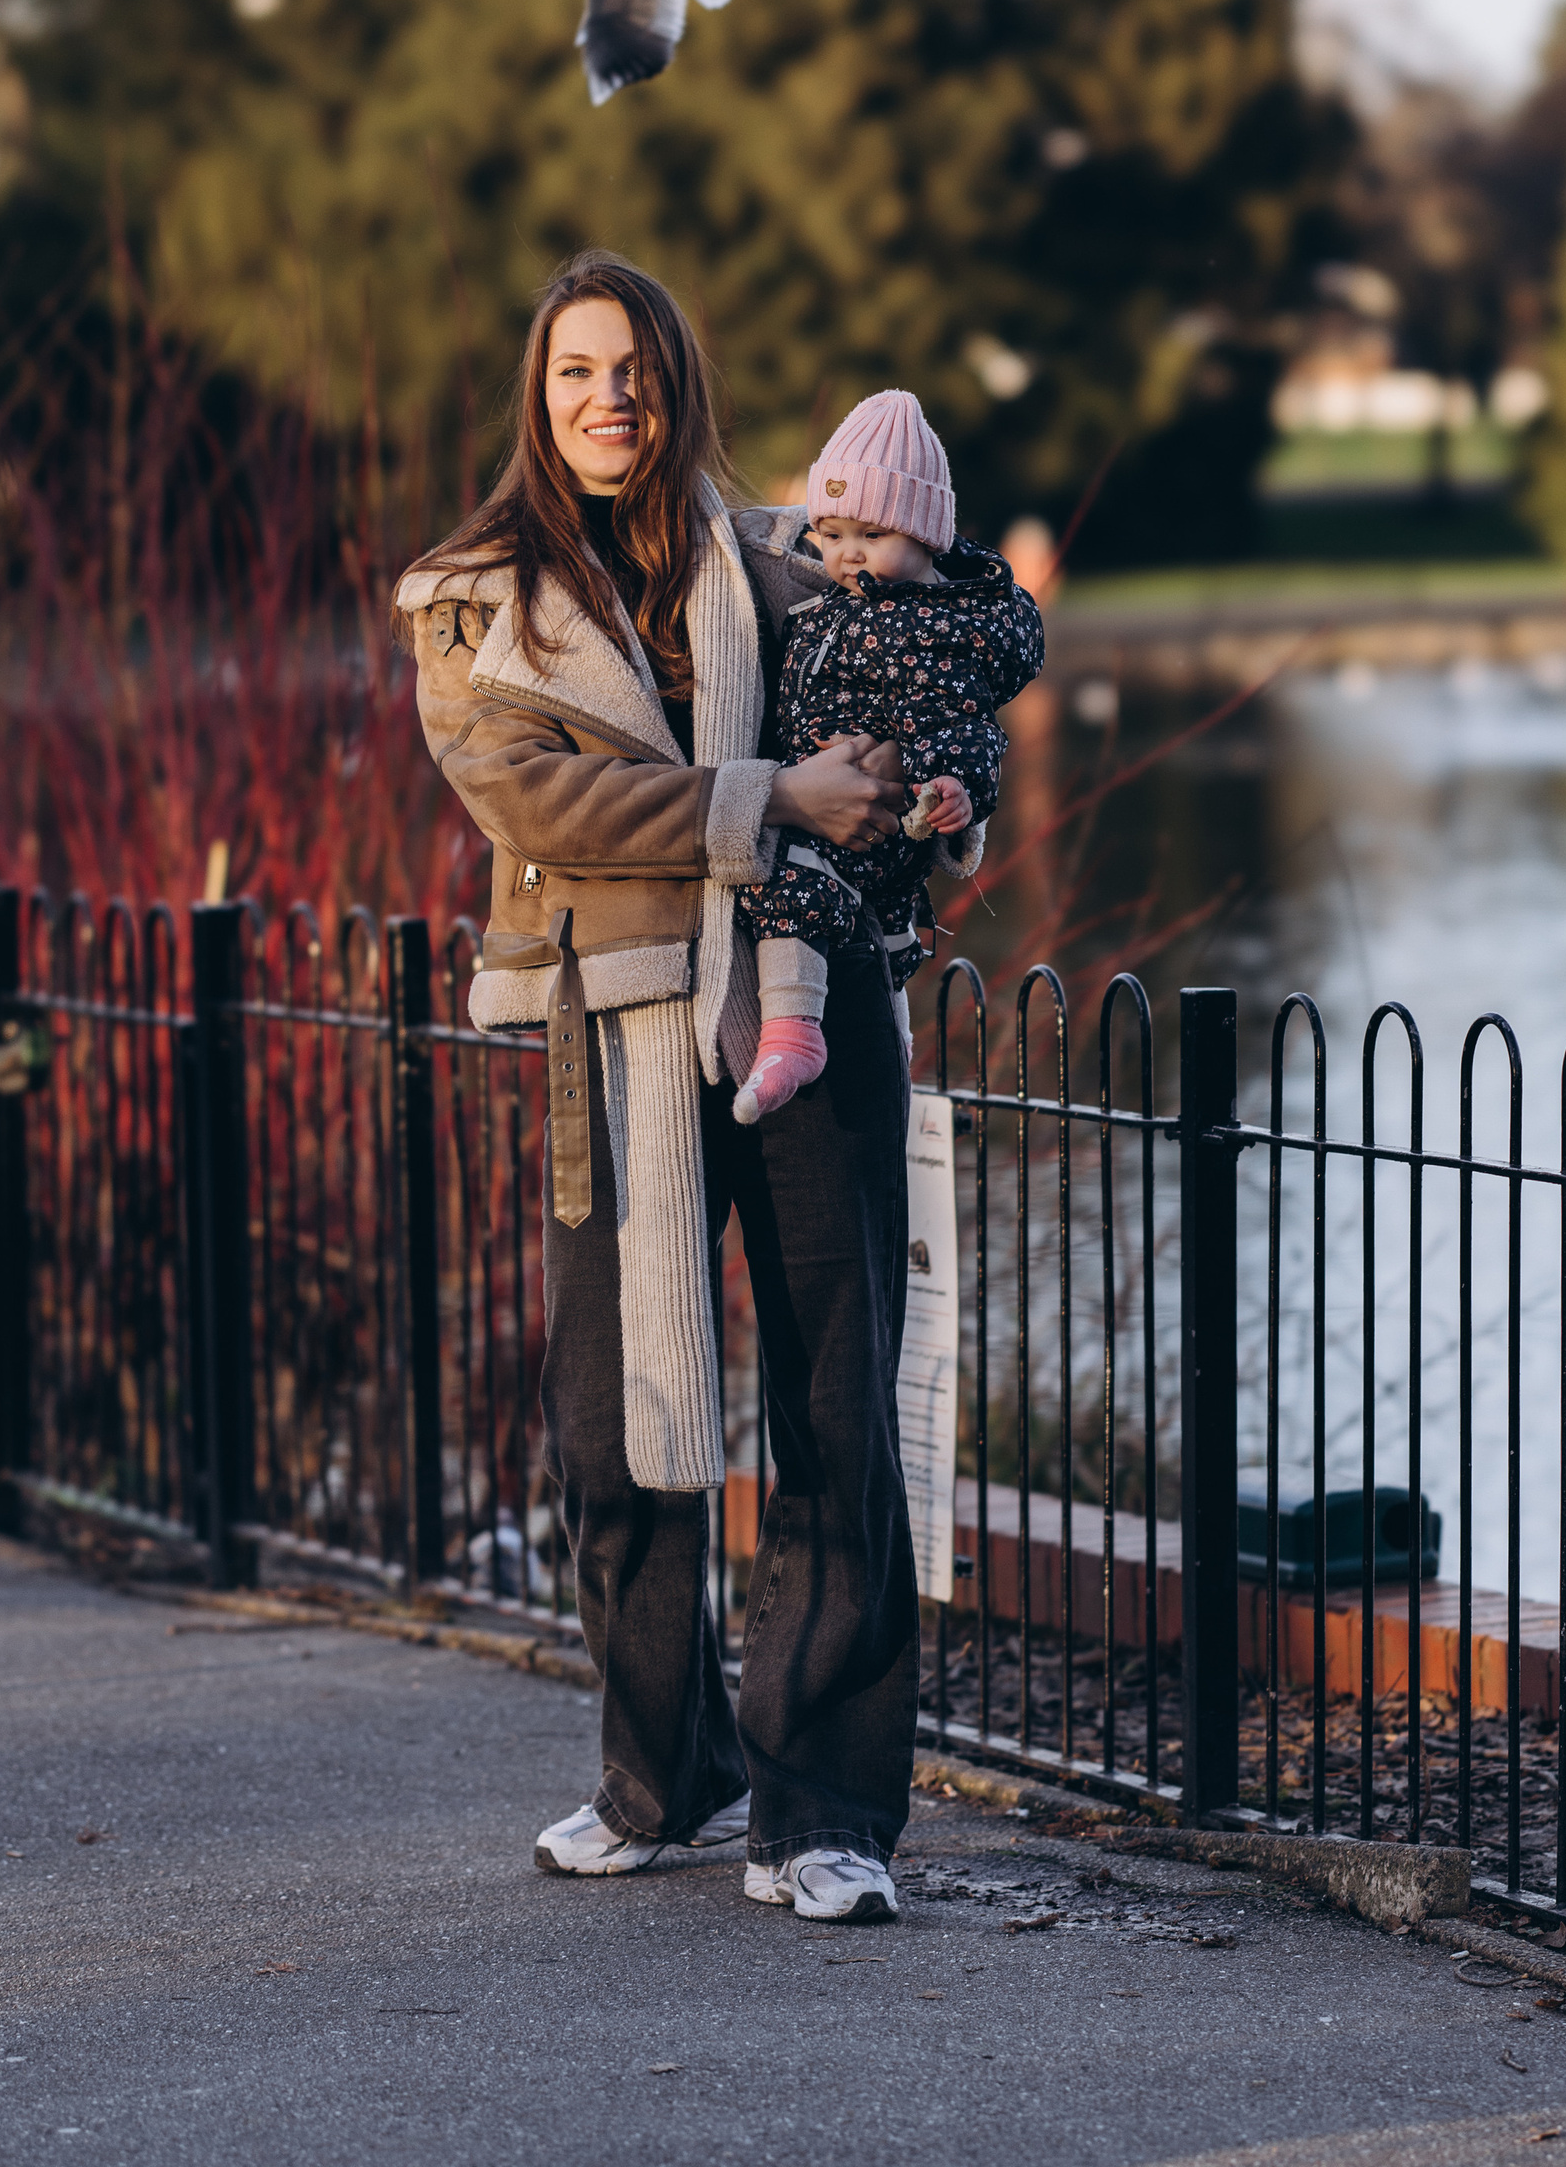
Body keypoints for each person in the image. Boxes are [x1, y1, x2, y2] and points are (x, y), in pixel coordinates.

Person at [393, 251, 918, 1924]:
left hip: (808, 1003)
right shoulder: (469, 601)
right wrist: (772, 798)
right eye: (576, 371)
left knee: (837, 1412)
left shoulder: (783, 565)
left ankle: (823, 1815)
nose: (608, 396)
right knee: (612, 1428)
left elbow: (904, 716)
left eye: (632, 368)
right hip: (612, 1028)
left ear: (675, 384)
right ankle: (660, 1775)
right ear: (538, 398)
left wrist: (919, 787)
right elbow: (536, 802)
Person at [732, 389, 1046, 1123]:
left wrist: (954, 784)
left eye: (871, 533)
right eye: (831, 532)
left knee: (787, 880)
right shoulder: (853, 603)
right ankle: (889, 1045)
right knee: (884, 931)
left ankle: (790, 1035)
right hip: (836, 793)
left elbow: (959, 722)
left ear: (927, 534)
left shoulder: (929, 628)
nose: (846, 552)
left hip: (867, 813)